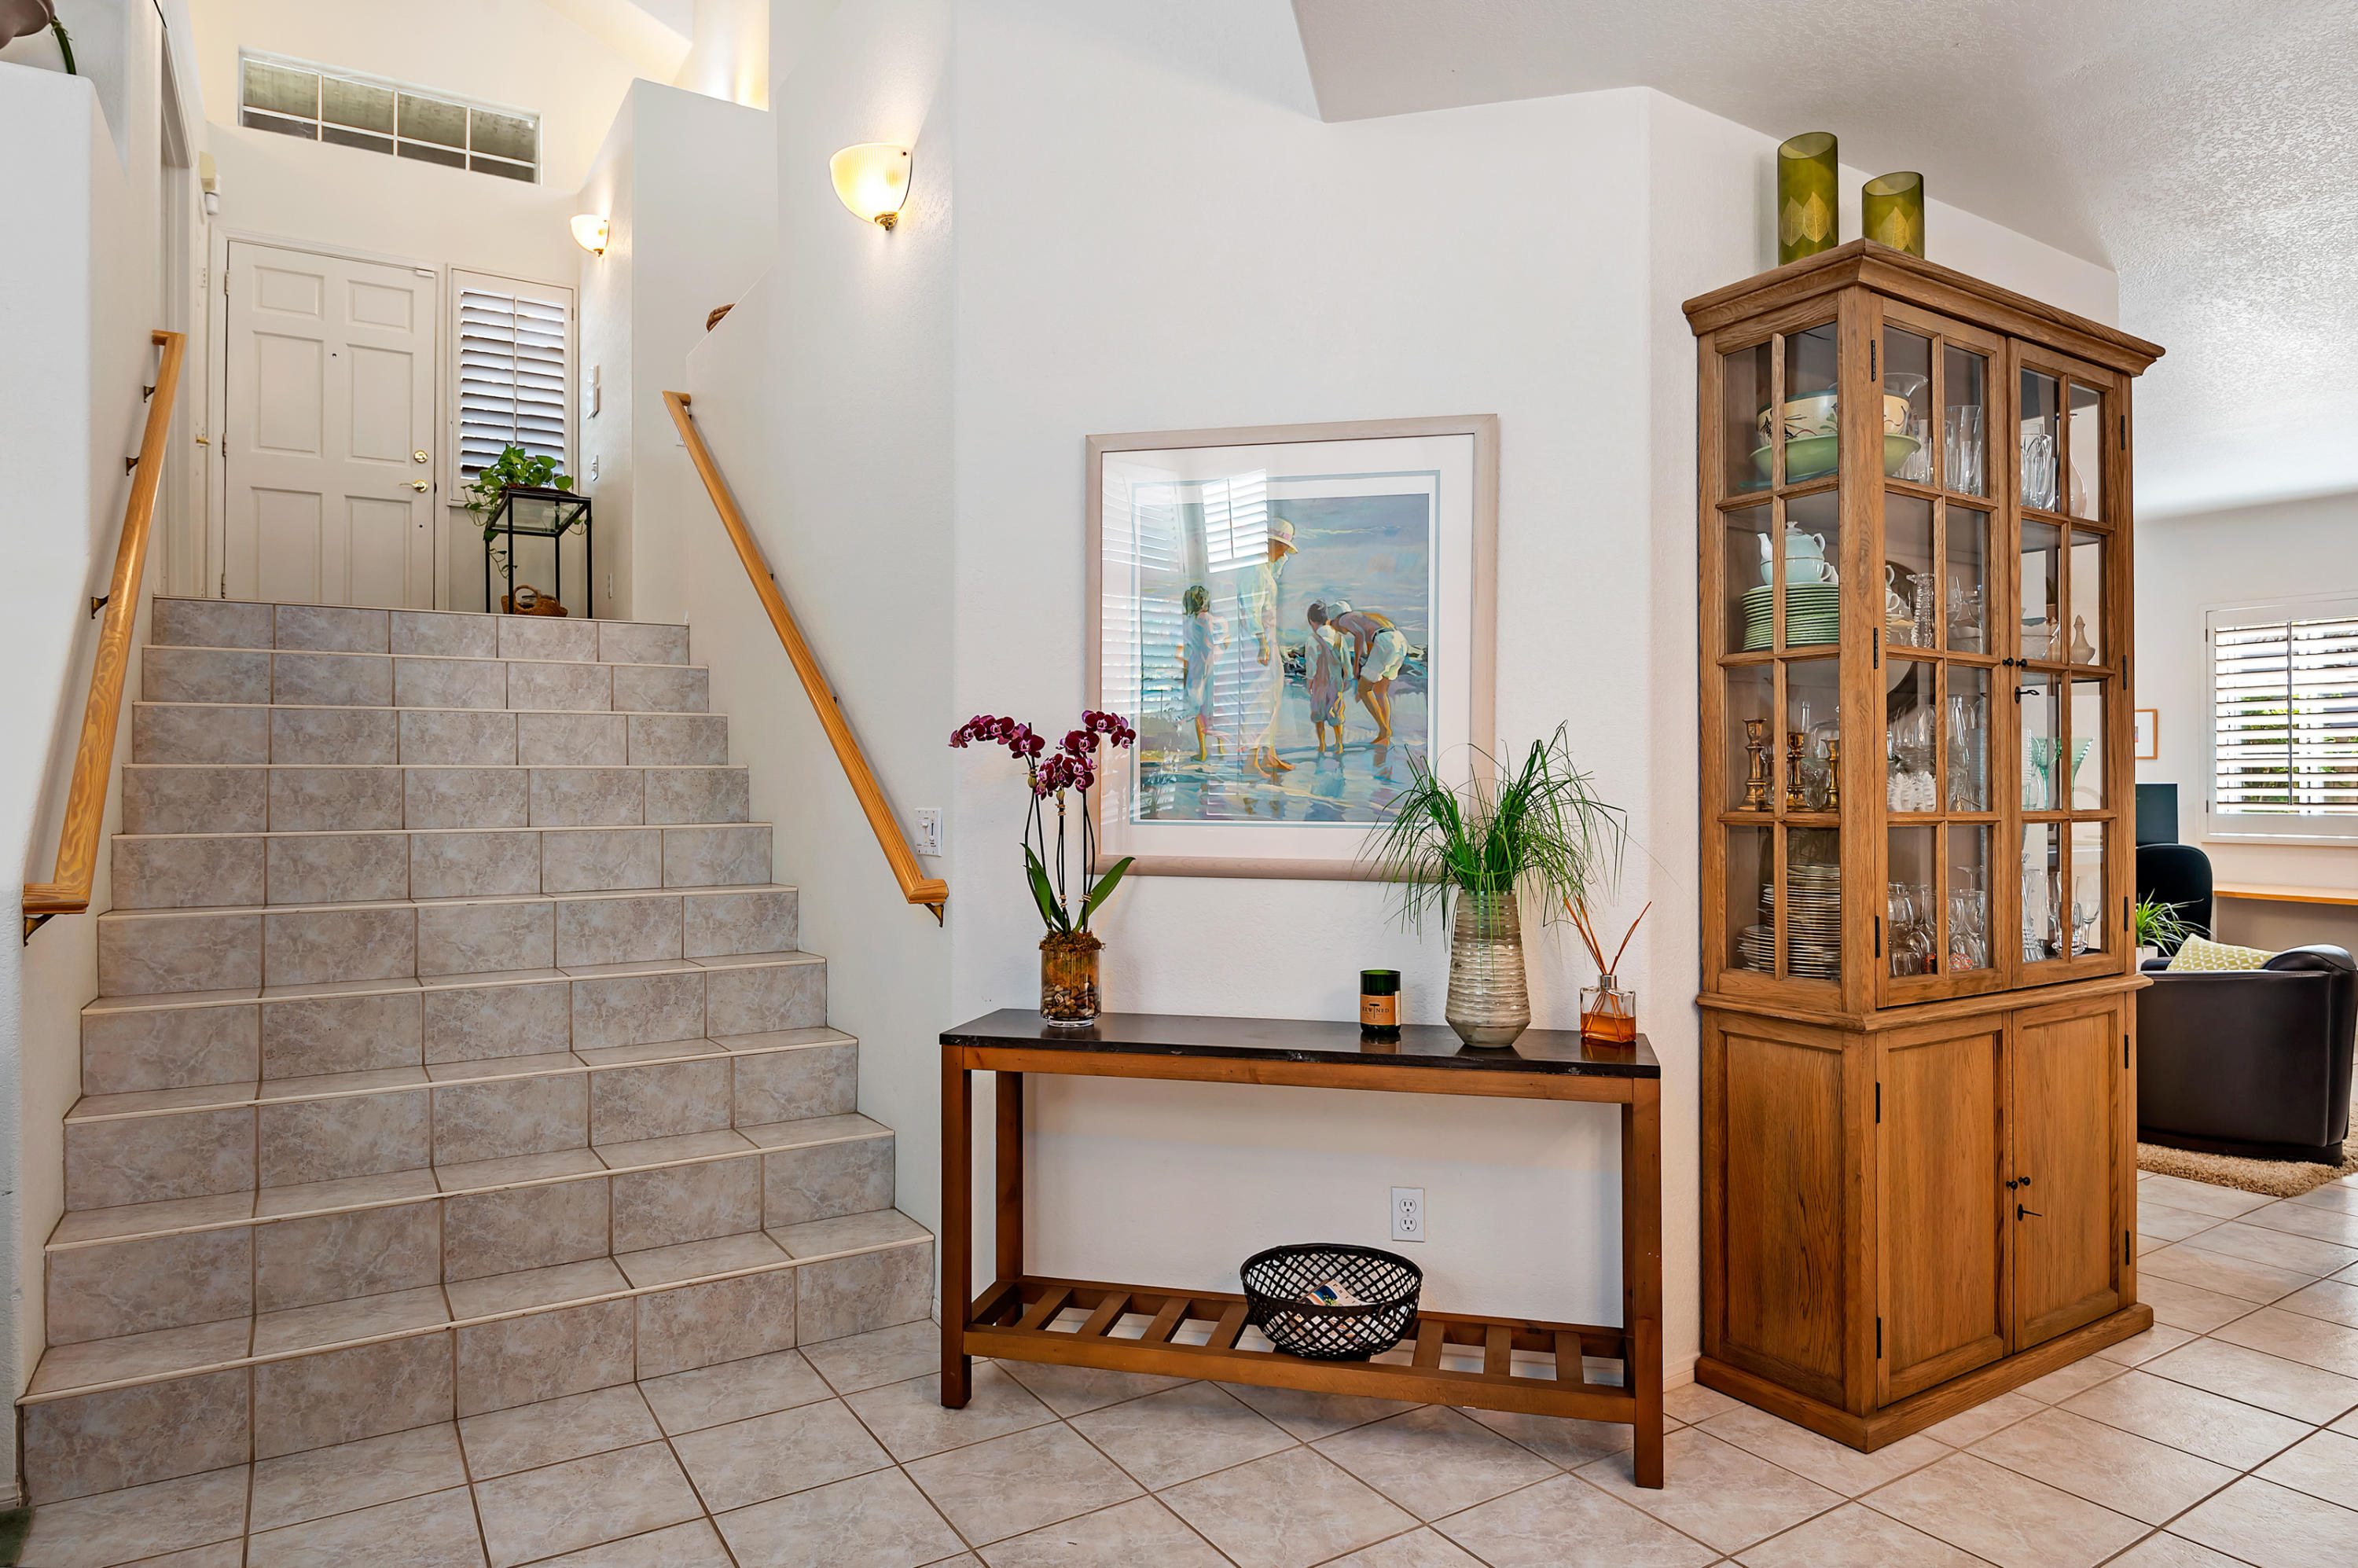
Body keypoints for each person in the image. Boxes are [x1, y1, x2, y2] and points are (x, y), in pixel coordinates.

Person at [1238, 516, 1298, 777]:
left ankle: (1269, 754)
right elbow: (1250, 609)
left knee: (1272, 697)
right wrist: (1261, 642)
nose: (1286, 553)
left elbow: (1273, 576)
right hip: (1257, 640)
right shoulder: (1254, 569)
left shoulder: (1264, 568)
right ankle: (1251, 761)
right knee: (1258, 699)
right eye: (1284, 547)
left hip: (1266, 638)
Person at [1329, 605, 1409, 777]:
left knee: (1364, 690)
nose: (1335, 628)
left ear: (1336, 618)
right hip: (1400, 642)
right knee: (1380, 692)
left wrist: (1357, 664)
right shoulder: (1366, 619)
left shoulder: (1346, 618)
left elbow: (1358, 637)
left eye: (1332, 623)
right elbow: (1370, 643)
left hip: (1386, 641)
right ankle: (1384, 734)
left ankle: (1384, 729)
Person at [1176, 583, 1222, 762]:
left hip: (1195, 665)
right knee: (1211, 707)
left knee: (1198, 709)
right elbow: (1209, 643)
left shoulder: (1188, 622)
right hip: (1207, 665)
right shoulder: (1206, 618)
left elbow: (1187, 650)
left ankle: (1203, 750)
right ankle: (1221, 750)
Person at [1302, 600, 1353, 762]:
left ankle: (1322, 744)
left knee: (1318, 712)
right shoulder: (1338, 637)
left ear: (1311, 620)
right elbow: (1346, 661)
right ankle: (1339, 743)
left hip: (1319, 683)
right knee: (1337, 710)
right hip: (1336, 681)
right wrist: (1348, 677)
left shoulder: (1312, 639)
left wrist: (1309, 681)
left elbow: (1311, 664)